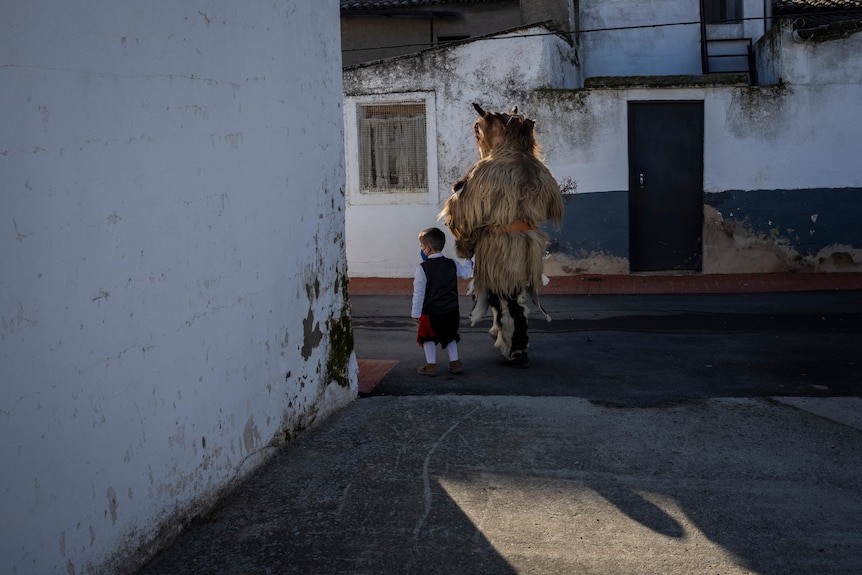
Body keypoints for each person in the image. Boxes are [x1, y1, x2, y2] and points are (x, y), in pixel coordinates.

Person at [411, 227, 473, 376]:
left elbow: (419, 293)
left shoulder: (422, 268)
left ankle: (431, 365)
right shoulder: (451, 264)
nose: (421, 250)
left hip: (431, 312)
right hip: (451, 310)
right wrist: (470, 259)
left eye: (421, 247)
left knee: (428, 338)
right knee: (450, 336)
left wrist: (416, 313)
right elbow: (465, 273)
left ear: (427, 248)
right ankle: (455, 362)